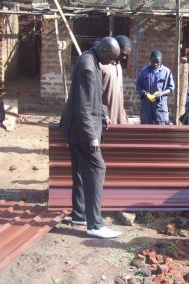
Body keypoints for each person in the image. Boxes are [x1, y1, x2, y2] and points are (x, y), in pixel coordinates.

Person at [59, 37, 122, 238]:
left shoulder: (90, 59)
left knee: (79, 170)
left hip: (75, 128)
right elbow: (83, 105)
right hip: (82, 130)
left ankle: (79, 214)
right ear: (103, 50)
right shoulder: (88, 66)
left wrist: (103, 114)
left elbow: (92, 96)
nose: (111, 62)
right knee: (97, 168)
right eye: (111, 58)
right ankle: (95, 224)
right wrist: (91, 137)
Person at [136, 50, 175, 125]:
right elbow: (138, 86)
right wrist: (145, 93)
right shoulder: (143, 71)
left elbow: (171, 88)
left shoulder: (166, 72)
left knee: (162, 129)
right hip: (146, 106)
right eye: (153, 61)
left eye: (157, 62)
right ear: (150, 60)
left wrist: (162, 93)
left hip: (160, 106)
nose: (155, 64)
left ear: (161, 61)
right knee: (146, 128)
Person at [101, 35, 132, 124]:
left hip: (119, 118)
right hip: (105, 119)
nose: (125, 58)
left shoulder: (118, 66)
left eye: (127, 55)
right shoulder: (102, 66)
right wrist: (103, 115)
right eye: (123, 54)